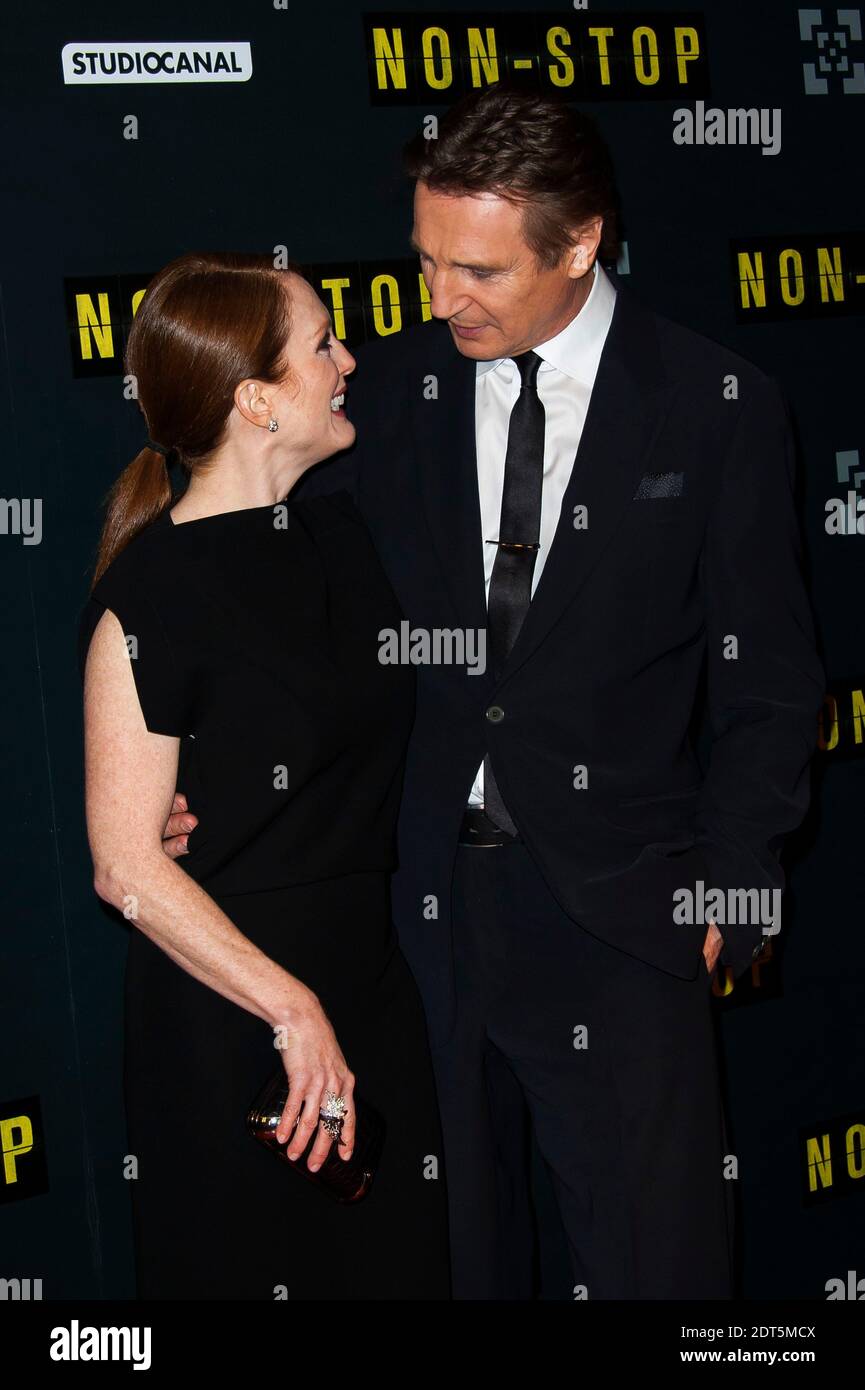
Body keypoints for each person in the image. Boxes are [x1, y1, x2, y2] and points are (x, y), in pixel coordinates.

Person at [163, 87, 825, 1299]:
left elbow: (773, 686)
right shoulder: (382, 399)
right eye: (424, 260)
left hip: (626, 918)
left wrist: (731, 892)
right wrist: (188, 780)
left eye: (477, 270)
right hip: (416, 913)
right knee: (457, 1263)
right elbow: (265, 606)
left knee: (655, 1269)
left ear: (580, 245)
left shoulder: (713, 405)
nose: (438, 299)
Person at [79, 251, 450, 1300]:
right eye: (324, 345)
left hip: (369, 997)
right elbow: (127, 870)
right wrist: (292, 1010)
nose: (351, 358)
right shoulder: (146, 599)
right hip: (233, 1018)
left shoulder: (344, 535)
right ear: (255, 401)